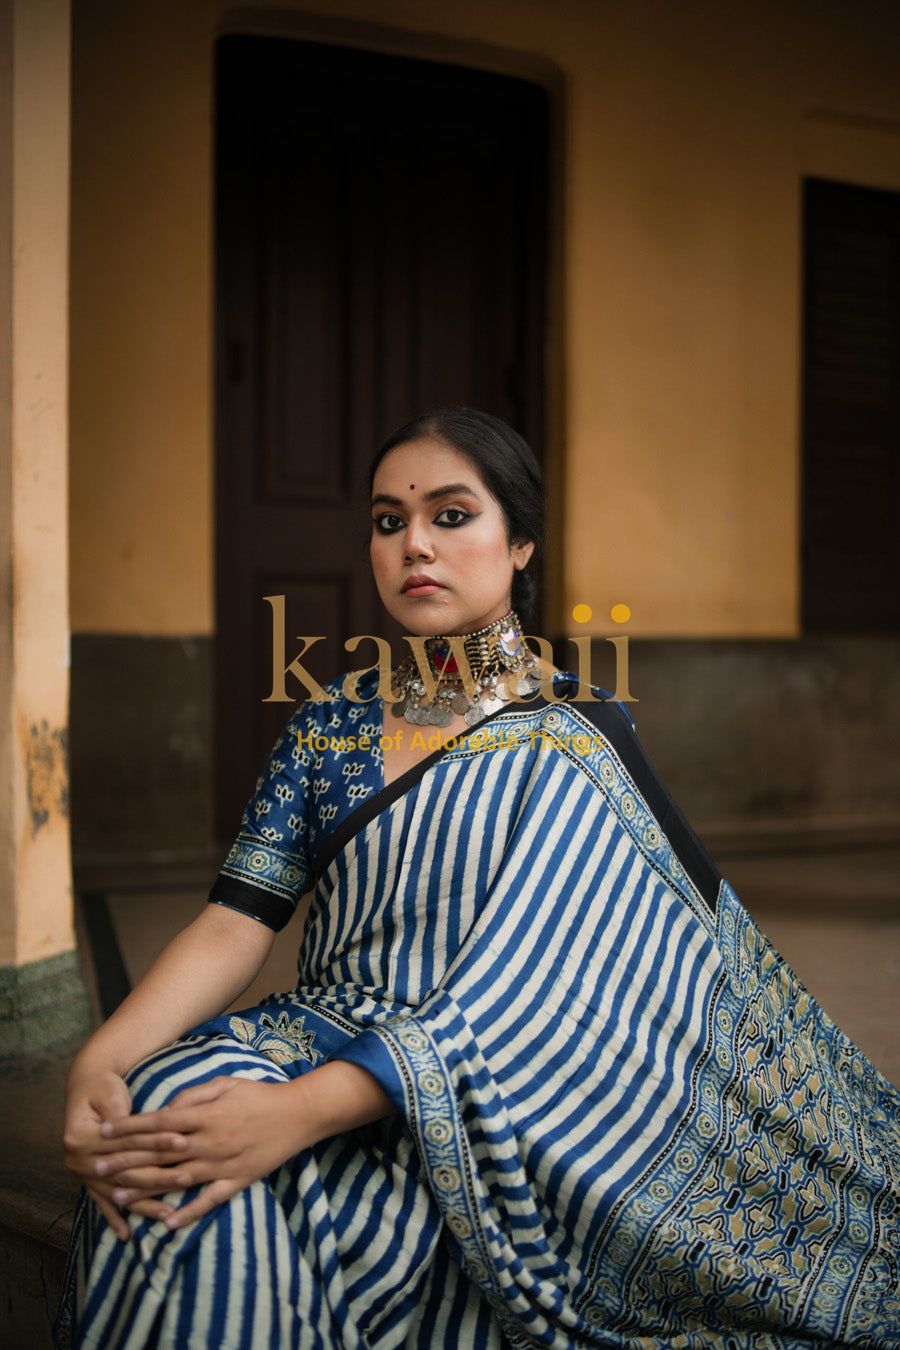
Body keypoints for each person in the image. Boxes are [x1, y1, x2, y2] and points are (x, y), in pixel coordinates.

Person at [54, 407, 899, 1348]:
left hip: (486, 1093)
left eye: (451, 515)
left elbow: (543, 996)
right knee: (174, 1108)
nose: (414, 542)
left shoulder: (576, 737)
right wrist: (106, 1055)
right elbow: (234, 922)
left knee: (232, 1179)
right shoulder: (332, 723)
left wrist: (296, 1112)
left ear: (521, 541)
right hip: (324, 1032)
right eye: (388, 521)